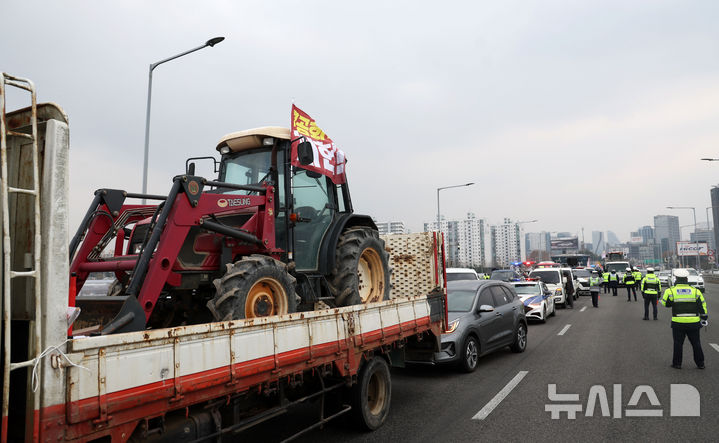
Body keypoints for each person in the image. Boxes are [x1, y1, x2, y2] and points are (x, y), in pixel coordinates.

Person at [660, 268, 707, 369]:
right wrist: (704, 317)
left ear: (676, 278)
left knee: (678, 344)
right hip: (694, 322)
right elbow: (702, 306)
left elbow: (665, 304)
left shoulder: (670, 291)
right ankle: (700, 364)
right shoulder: (696, 291)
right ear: (686, 278)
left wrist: (671, 301)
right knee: (696, 343)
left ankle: (677, 364)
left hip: (678, 322)